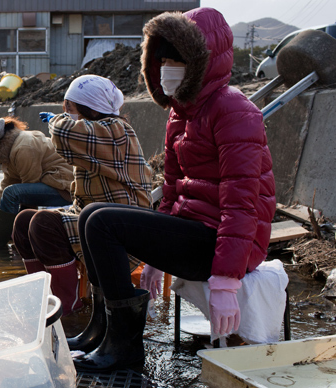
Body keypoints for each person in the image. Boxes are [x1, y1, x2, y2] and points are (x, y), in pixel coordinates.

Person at [73, 7, 276, 372]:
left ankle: (125, 347)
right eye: (162, 59)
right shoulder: (180, 112)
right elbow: (170, 191)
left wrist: (227, 282)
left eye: (177, 60)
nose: (167, 69)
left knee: (105, 224)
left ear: (202, 61)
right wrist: (153, 260)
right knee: (91, 215)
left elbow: (242, 203)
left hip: (224, 244)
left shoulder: (234, 110)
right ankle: (103, 331)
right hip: (193, 230)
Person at [11, 75, 153, 320]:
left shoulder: (115, 130)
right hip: (91, 216)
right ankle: (42, 297)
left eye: (70, 107)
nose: (65, 112)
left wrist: (57, 120)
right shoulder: (94, 131)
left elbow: (64, 132)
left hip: (120, 224)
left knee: (44, 223)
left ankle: (68, 306)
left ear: (90, 108)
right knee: (24, 221)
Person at [0, 116, 74, 249]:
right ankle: (0, 241)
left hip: (64, 187)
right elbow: (6, 186)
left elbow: (28, 196)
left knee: (13, 193)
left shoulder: (23, 147)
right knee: (10, 191)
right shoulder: (8, 152)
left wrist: (19, 228)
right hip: (50, 183)